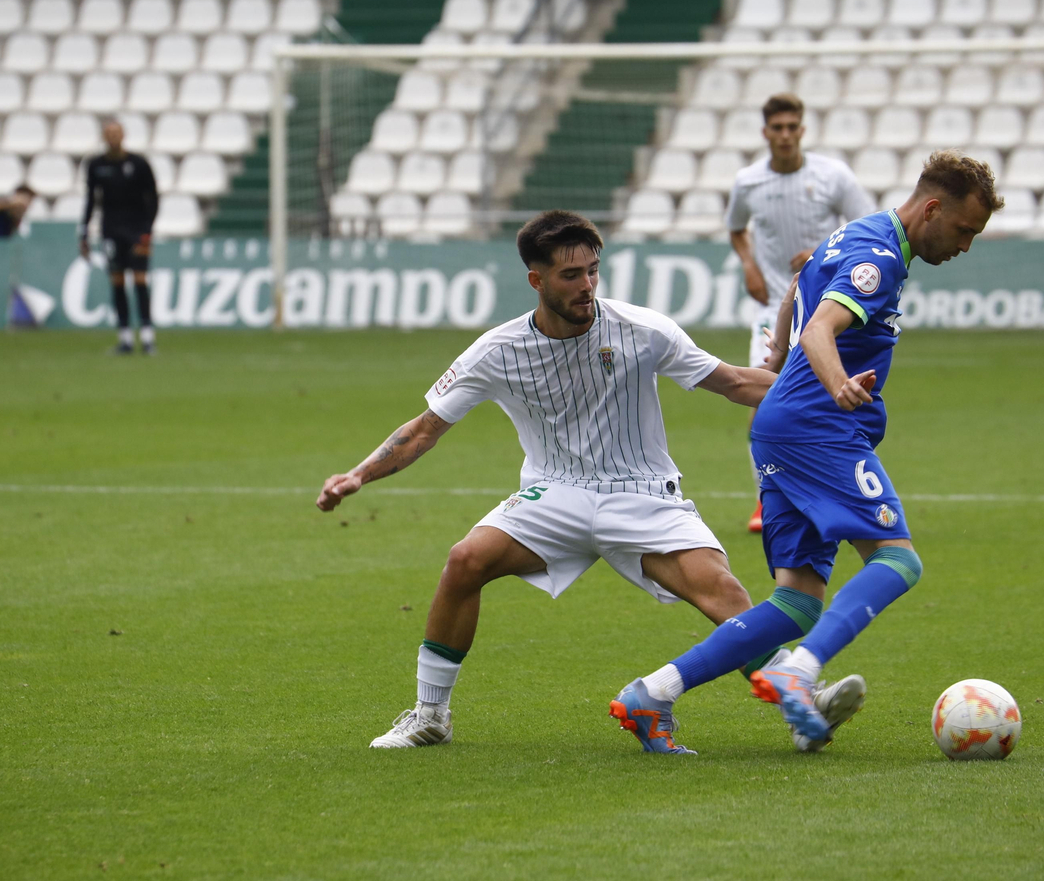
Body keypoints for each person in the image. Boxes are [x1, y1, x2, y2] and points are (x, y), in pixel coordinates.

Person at [316, 211, 778, 752]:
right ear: (536, 280)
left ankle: (800, 698)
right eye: (571, 275)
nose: (587, 285)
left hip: (642, 491)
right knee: (466, 560)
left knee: (723, 591)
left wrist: (826, 387)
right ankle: (430, 715)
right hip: (554, 493)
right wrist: (359, 475)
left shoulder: (643, 329)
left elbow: (736, 382)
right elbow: (423, 430)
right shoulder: (497, 350)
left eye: (593, 270)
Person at [612, 151, 1002, 752]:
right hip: (818, 427)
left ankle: (652, 694)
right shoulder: (879, 257)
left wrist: (776, 354)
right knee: (898, 563)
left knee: (796, 602)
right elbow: (821, 328)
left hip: (782, 426)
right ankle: (798, 672)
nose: (966, 245)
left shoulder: (857, 233)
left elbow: (798, 287)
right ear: (932, 209)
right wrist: (836, 382)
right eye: (964, 230)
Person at [727, 92, 873, 534]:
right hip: (774, 306)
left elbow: (867, 228)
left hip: (828, 308)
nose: (786, 135)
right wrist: (749, 265)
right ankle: (766, 497)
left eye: (793, 127)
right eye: (778, 128)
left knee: (835, 397)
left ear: (803, 130)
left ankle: (839, 488)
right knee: (765, 394)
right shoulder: (748, 182)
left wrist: (823, 252)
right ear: (765, 132)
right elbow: (736, 229)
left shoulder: (834, 175)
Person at [78, 119, 159, 355]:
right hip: (111, 230)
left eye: (117, 133)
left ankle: (147, 337)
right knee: (117, 282)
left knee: (140, 280)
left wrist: (147, 231)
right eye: (109, 133)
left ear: (123, 135)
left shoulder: (139, 164)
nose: (113, 137)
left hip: (137, 230)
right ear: (104, 137)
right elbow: (91, 199)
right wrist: (84, 231)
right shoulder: (95, 165)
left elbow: (153, 198)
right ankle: (125, 338)